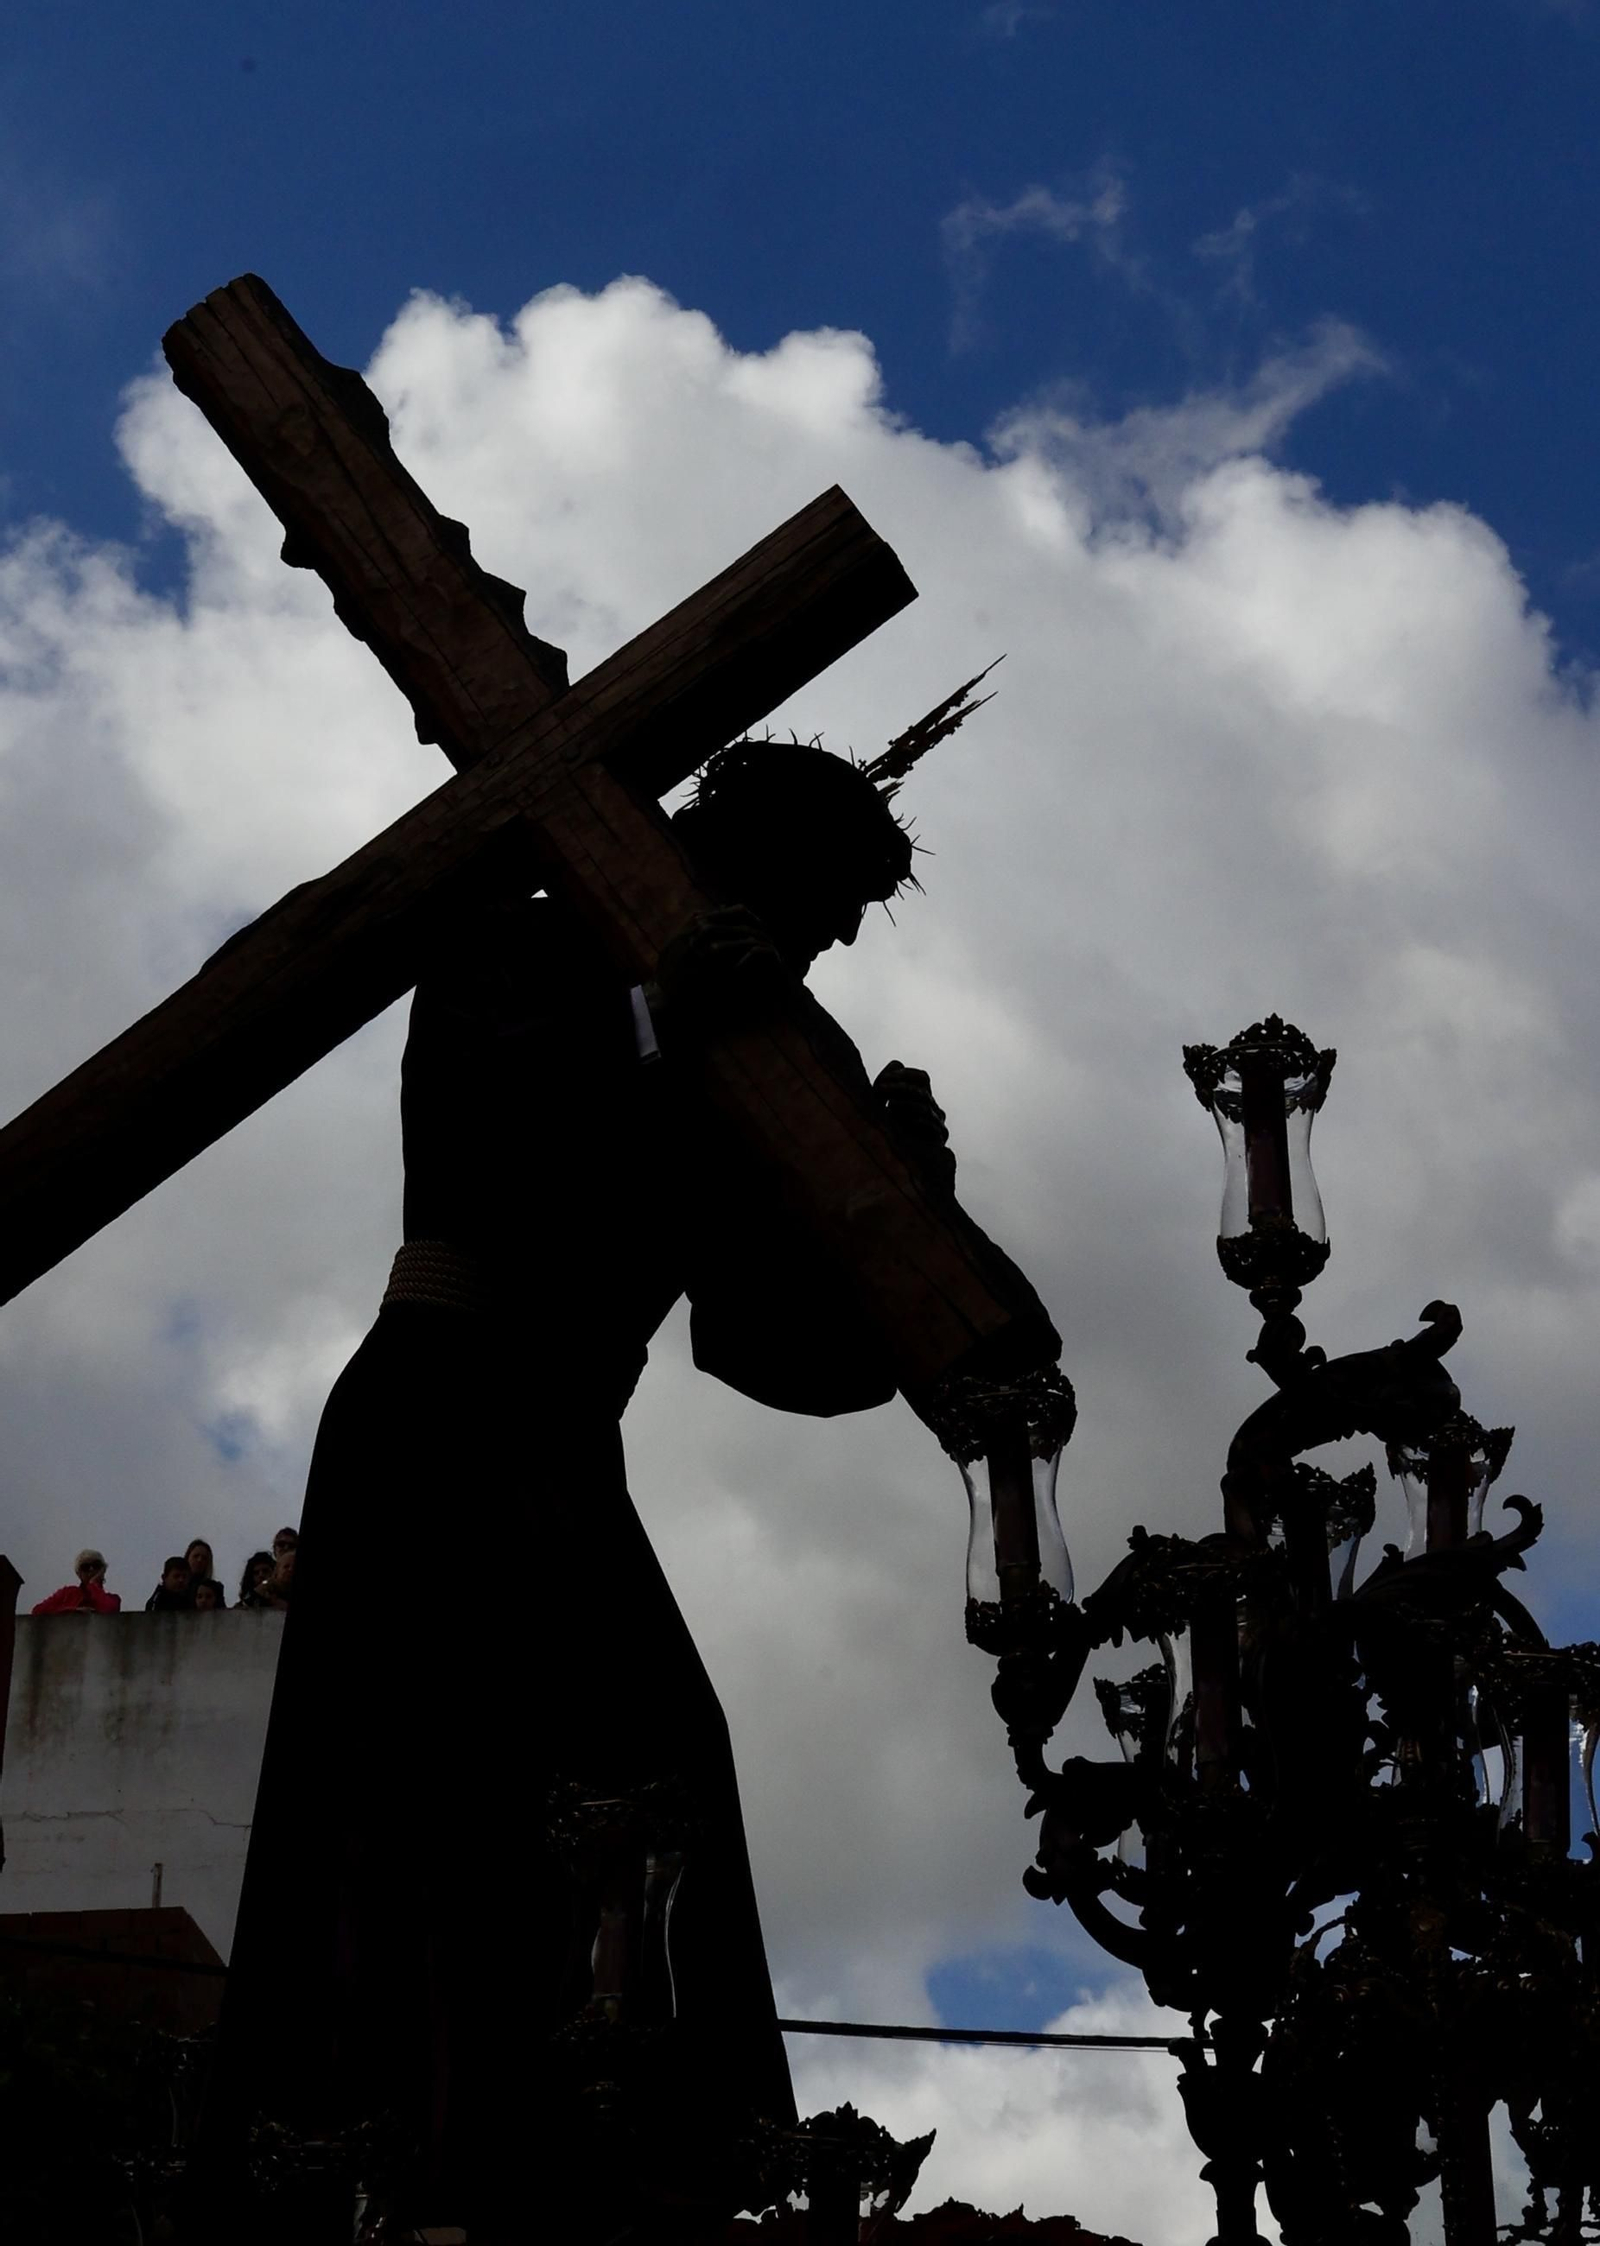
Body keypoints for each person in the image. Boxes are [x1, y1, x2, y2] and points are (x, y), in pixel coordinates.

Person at [211, 726, 1046, 2234]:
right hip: (441, 1403)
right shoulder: (524, 941)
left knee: (648, 1753)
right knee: (429, 1771)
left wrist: (897, 1193)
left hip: (559, 1434)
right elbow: (474, 1101)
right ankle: (379, 2147)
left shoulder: (764, 1051)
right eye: (835, 894)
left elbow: (769, 1338)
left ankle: (624, 2153)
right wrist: (662, 1019)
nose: (844, 934)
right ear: (759, 851)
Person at [31, 1549, 121, 1615]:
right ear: (79, 1573)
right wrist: (73, 1611)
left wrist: (93, 1585)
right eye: (85, 1567)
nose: (91, 1569)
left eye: (96, 1565)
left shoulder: (113, 1599)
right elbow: (37, 1611)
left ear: (102, 1570)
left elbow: (109, 1611)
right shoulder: (66, 1593)